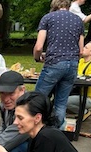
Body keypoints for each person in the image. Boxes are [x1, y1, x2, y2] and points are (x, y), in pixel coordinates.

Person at [33, 0, 84, 128]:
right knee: (61, 103)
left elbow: (39, 47)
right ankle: (55, 134)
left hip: (54, 62)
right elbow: (81, 50)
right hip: (72, 65)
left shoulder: (48, 18)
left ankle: (34, 132)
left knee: (37, 100)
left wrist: (37, 58)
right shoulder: (78, 20)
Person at [66, 41, 91, 121]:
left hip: (89, 97)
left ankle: (84, 112)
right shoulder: (81, 61)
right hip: (77, 92)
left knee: (64, 101)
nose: (82, 49)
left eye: (86, 47)